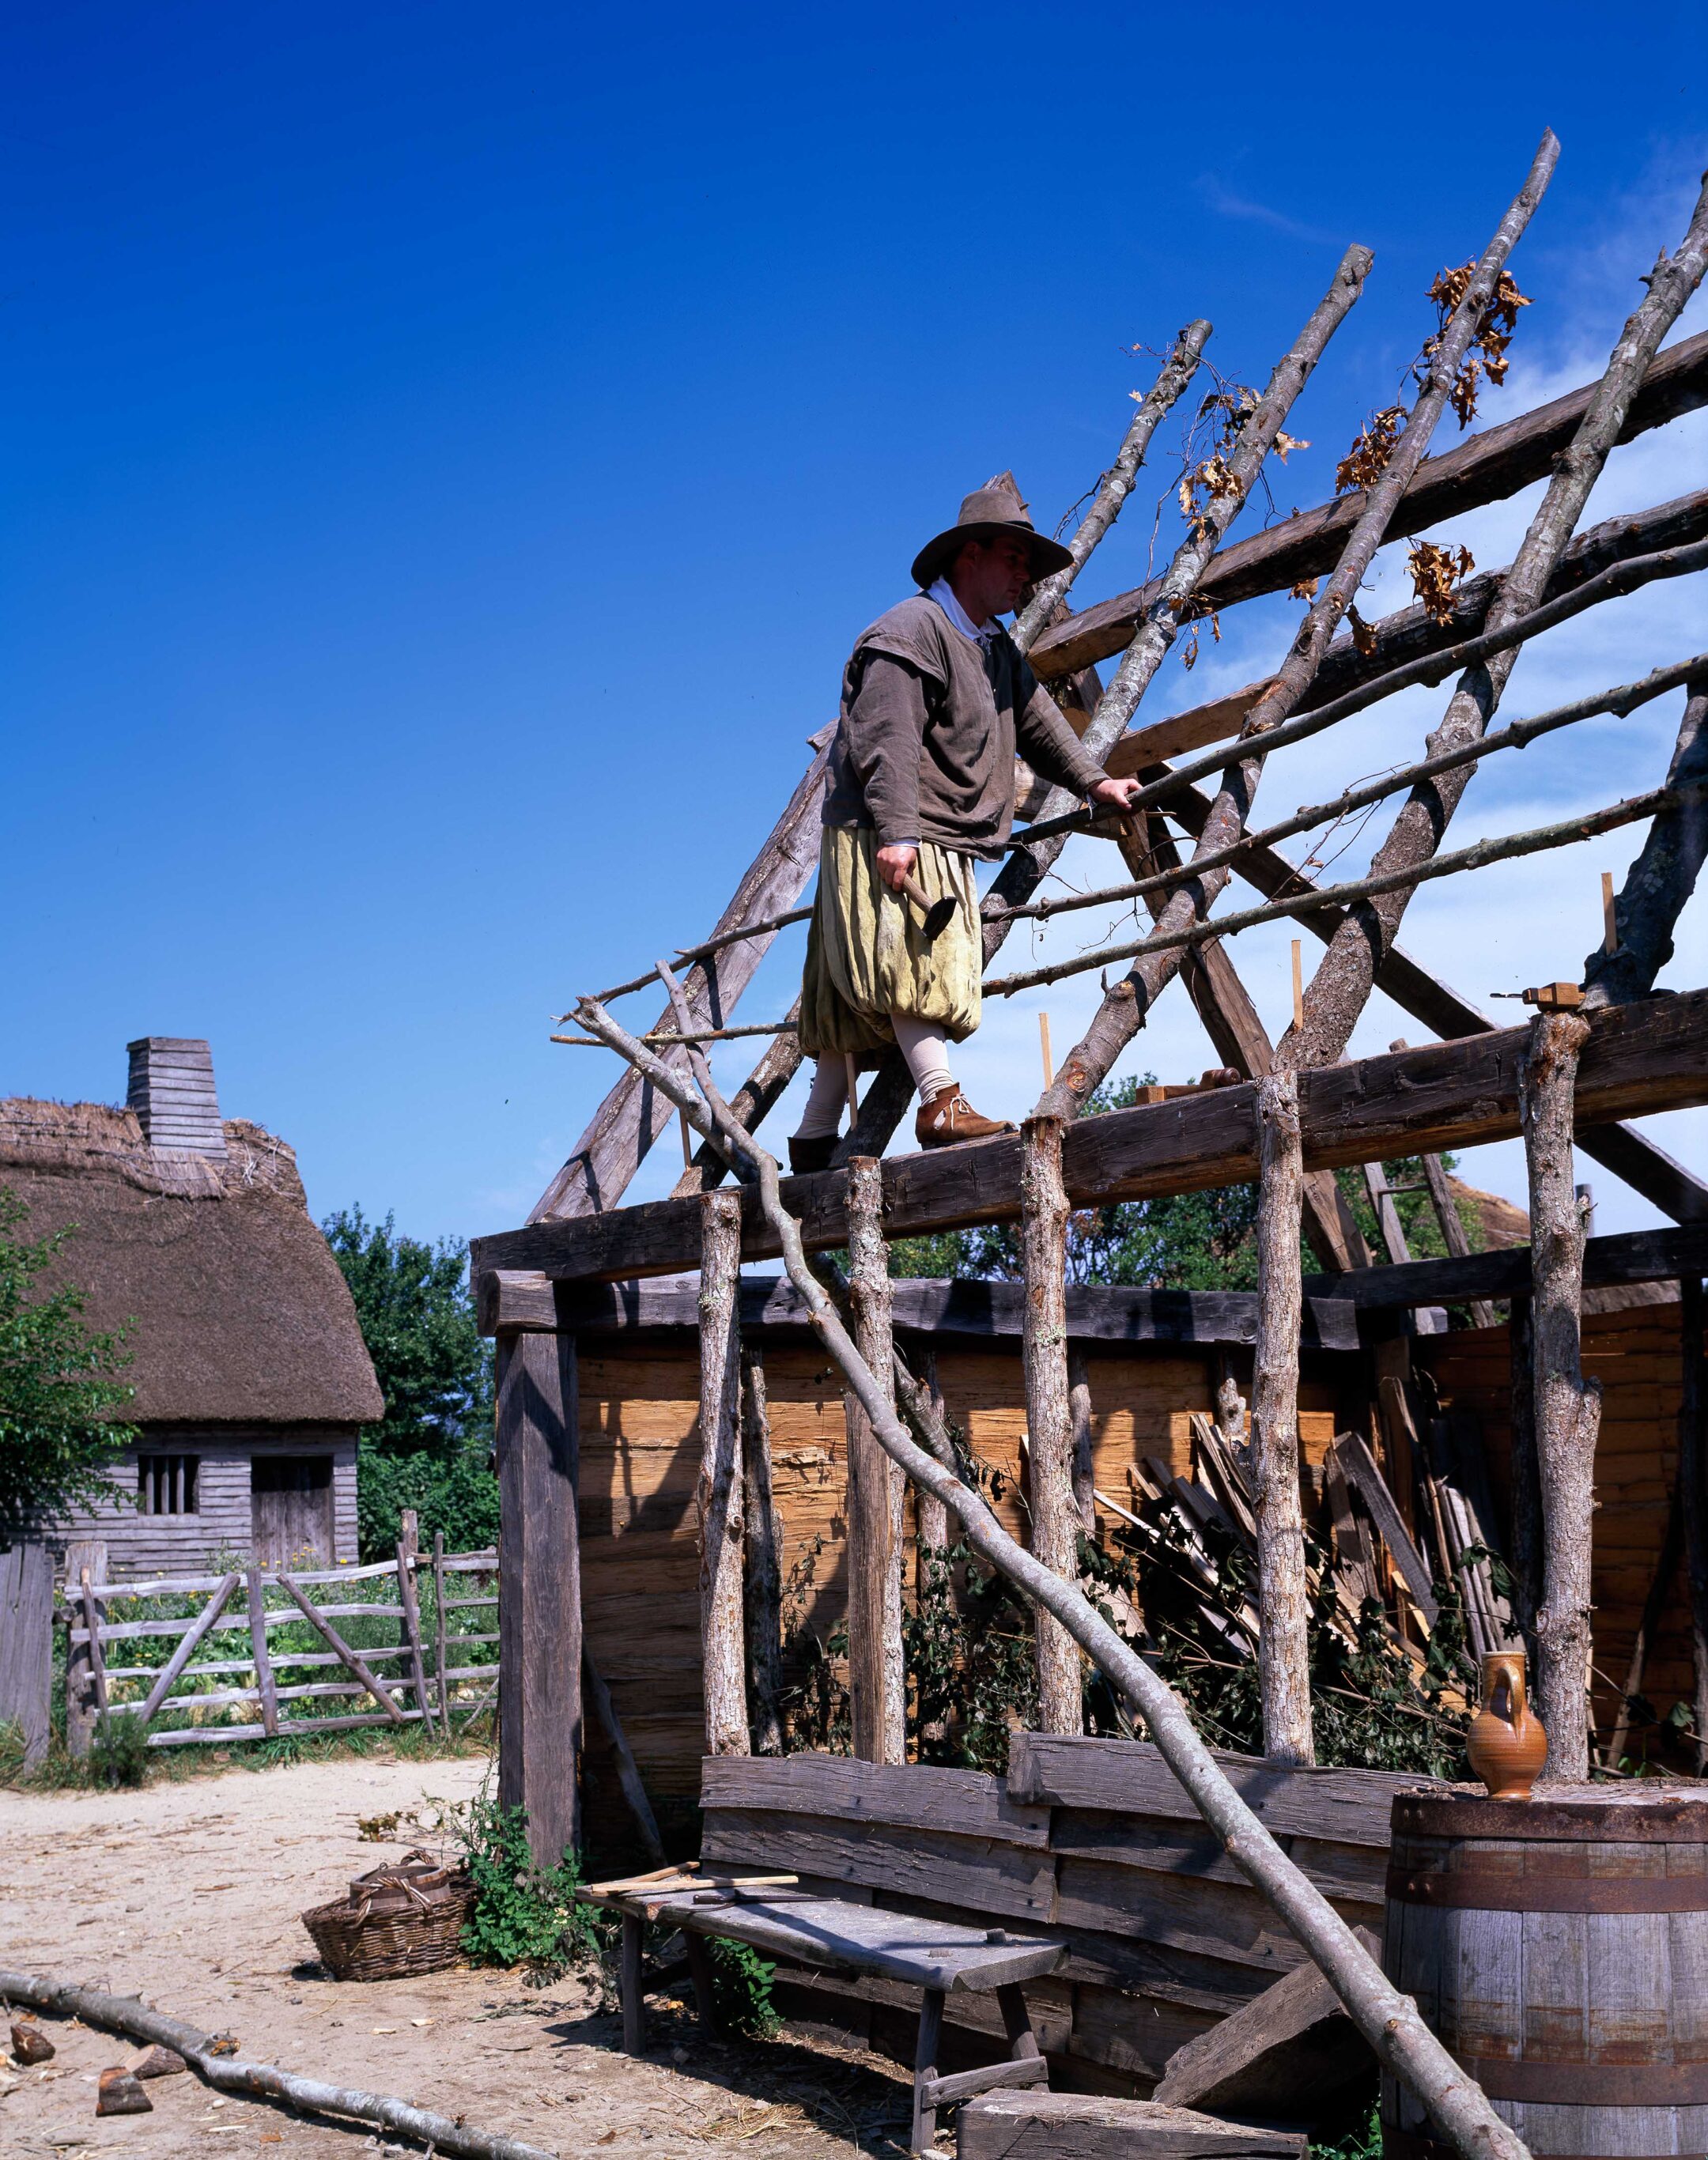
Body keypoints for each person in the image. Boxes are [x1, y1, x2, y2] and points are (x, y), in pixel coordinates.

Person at [789, 476, 1145, 1173]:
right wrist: (896, 833)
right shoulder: (909, 631)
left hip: (926, 829)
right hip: (891, 831)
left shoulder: (993, 648)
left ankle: (811, 1137)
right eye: (1013, 558)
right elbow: (886, 740)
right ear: (967, 558)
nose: (1024, 575)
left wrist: (1095, 782)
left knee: (844, 1000)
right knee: (913, 966)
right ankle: (940, 1099)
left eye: (1028, 564)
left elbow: (1041, 721)